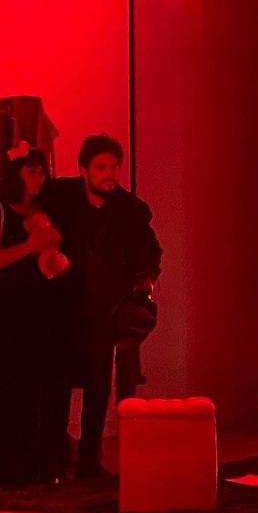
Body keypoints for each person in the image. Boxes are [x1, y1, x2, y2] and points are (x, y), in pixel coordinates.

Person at [41, 135, 162, 481]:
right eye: (101, 167)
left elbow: (150, 252)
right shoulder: (61, 197)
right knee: (57, 380)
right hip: (63, 305)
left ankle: (89, 460)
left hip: (105, 307)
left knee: (97, 383)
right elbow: (31, 206)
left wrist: (145, 280)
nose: (109, 174)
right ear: (84, 170)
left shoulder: (130, 210)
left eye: (113, 167)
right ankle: (54, 456)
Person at [0, 144, 68, 489]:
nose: (38, 178)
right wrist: (30, 245)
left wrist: (56, 261)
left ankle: (30, 473)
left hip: (37, 316)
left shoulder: (41, 211)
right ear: (16, 174)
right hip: (2, 319)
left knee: (32, 396)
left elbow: (46, 260)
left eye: (42, 171)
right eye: (30, 171)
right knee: (0, 397)